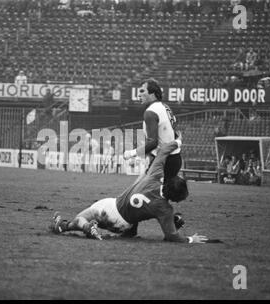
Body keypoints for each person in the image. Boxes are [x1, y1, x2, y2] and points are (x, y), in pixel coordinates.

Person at [50, 138, 209, 244]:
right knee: (143, 213)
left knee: (81, 218)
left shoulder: (154, 176)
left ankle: (85, 227)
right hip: (126, 226)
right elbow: (171, 236)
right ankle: (61, 226)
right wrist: (190, 239)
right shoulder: (166, 209)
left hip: (112, 209)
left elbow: (162, 152)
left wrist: (178, 141)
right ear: (175, 198)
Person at [122, 78, 182, 236]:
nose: (139, 93)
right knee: (160, 196)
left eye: (142, 91)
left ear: (153, 93)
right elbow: (174, 134)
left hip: (163, 161)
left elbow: (153, 142)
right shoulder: (165, 107)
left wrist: (131, 153)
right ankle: (174, 221)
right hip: (174, 158)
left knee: (137, 192)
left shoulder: (150, 112)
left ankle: (131, 229)